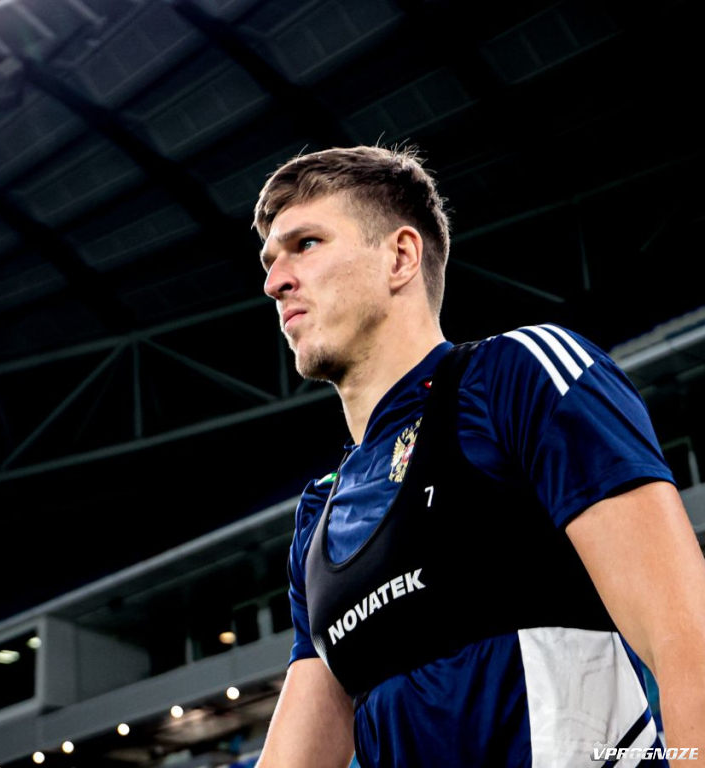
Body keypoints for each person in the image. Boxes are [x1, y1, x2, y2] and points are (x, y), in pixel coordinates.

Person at [251, 145, 705, 767]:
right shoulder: (319, 517)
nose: (274, 281)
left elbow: (688, 639)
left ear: (400, 257)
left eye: (305, 244)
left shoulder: (518, 376)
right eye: (270, 261)